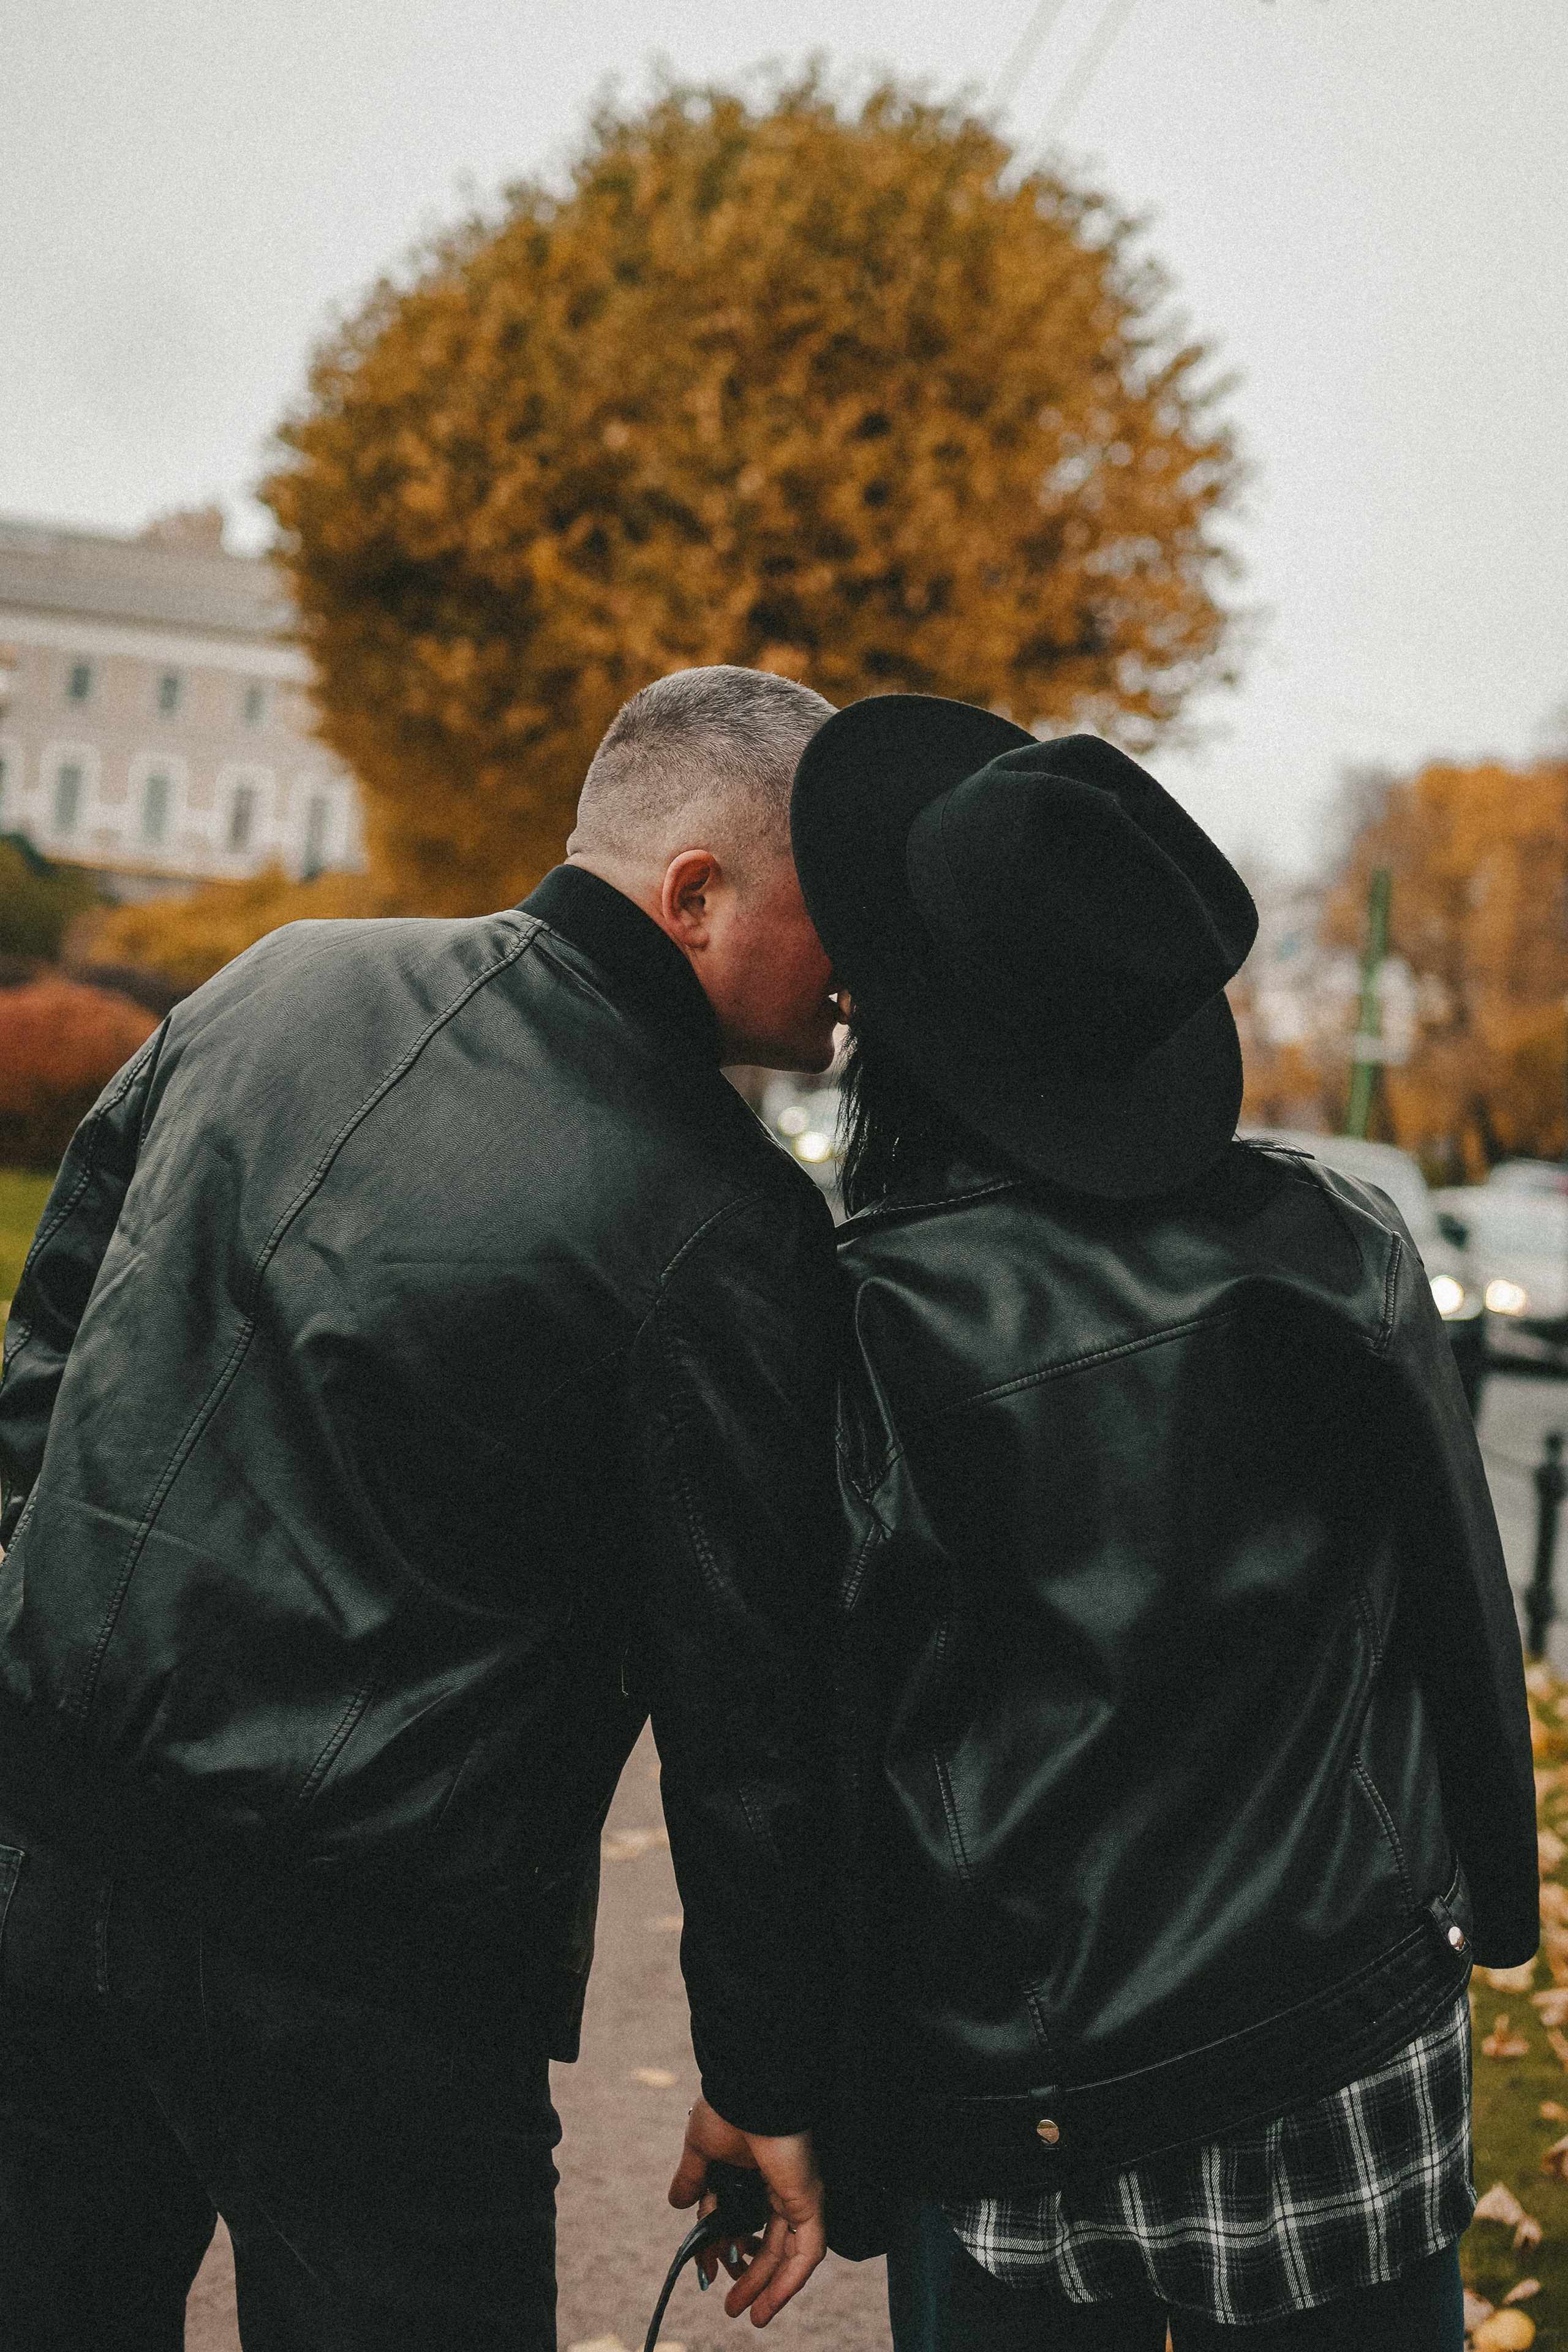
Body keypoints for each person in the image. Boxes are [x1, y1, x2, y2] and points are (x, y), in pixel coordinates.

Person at [0, 664, 841, 2351]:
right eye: (837, 922)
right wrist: (769, 2070)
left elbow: (45, 1365)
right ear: (697, 894)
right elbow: (750, 1703)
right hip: (373, 1977)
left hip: (44, 1867)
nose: (860, 978)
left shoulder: (274, 980)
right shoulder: (727, 1221)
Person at [788, 694, 1539, 2350]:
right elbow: (1462, 1608)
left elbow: (832, 1751)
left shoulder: (863, 1320)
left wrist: (823, 2107)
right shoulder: (1336, 1243)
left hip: (1016, 2083)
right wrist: (1500, 1904)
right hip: (1342, 2033)